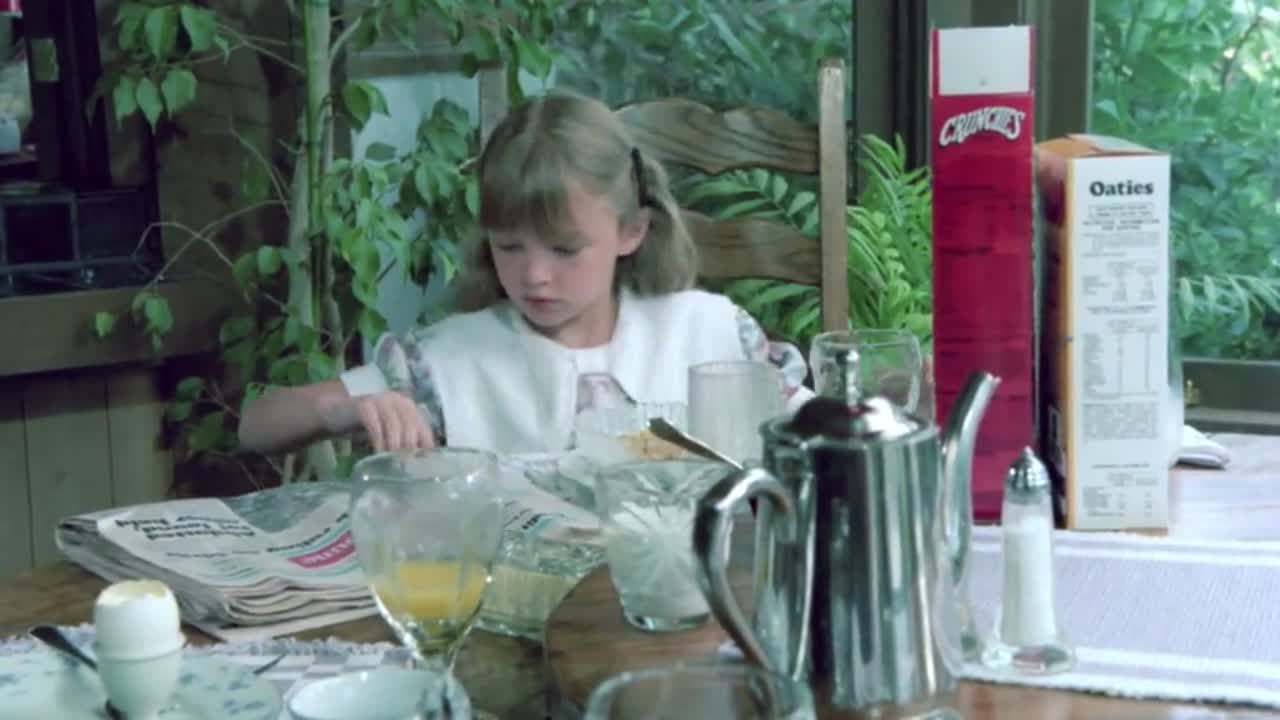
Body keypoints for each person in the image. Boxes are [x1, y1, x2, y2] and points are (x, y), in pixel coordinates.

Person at [238, 90, 812, 455]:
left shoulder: (709, 334)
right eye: (509, 246)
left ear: (632, 231)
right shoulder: (447, 363)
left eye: (565, 250)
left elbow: (821, 431)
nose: (535, 275)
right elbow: (255, 425)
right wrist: (345, 410)